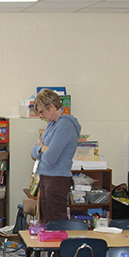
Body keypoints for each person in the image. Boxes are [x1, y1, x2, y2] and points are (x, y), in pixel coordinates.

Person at [31, 88, 81, 223]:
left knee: (56, 221)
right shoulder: (52, 125)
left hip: (57, 180)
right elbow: (34, 151)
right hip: (47, 177)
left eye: (42, 111)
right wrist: (42, 148)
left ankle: (60, 245)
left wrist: (40, 149)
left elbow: (50, 158)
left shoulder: (65, 125)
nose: (41, 116)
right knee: (46, 220)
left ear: (52, 107)